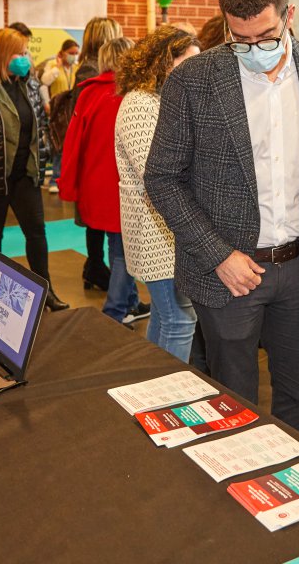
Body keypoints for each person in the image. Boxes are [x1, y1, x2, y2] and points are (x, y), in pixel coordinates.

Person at [145, 0, 299, 436]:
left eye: (265, 37)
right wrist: (219, 255)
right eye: (239, 40)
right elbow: (161, 177)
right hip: (231, 273)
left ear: (289, 16)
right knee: (233, 404)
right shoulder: (193, 80)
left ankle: (291, 489)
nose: (254, 49)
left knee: (297, 397)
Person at [0, 27, 68, 312]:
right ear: (2, 54)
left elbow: (39, 124)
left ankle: (47, 291)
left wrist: (41, 152)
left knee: (36, 233)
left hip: (25, 173)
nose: (26, 58)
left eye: (26, 52)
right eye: (20, 53)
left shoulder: (27, 81)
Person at [115, 26, 201, 360]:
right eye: (187, 63)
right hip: (156, 232)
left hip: (165, 229)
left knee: (166, 317)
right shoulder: (140, 104)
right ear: (165, 62)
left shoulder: (164, 100)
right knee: (180, 320)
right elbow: (155, 172)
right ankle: (169, 398)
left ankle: (150, 385)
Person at [60, 37, 137, 323]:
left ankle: (129, 302)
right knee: (122, 251)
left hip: (94, 184)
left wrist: (69, 184)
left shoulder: (88, 93)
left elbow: (72, 144)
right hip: (120, 185)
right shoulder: (130, 95)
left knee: (115, 246)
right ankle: (115, 313)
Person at [71, 17, 123, 292]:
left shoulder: (85, 71)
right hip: (100, 160)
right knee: (108, 229)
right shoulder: (94, 78)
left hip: (94, 161)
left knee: (99, 226)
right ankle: (100, 274)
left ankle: (96, 270)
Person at [39, 38, 79, 195]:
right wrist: (59, 66)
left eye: (76, 53)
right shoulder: (52, 66)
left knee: (71, 145)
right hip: (57, 110)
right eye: (71, 53)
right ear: (62, 53)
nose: (73, 56)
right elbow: (44, 82)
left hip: (72, 109)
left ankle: (68, 180)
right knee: (58, 144)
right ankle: (55, 179)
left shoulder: (76, 68)